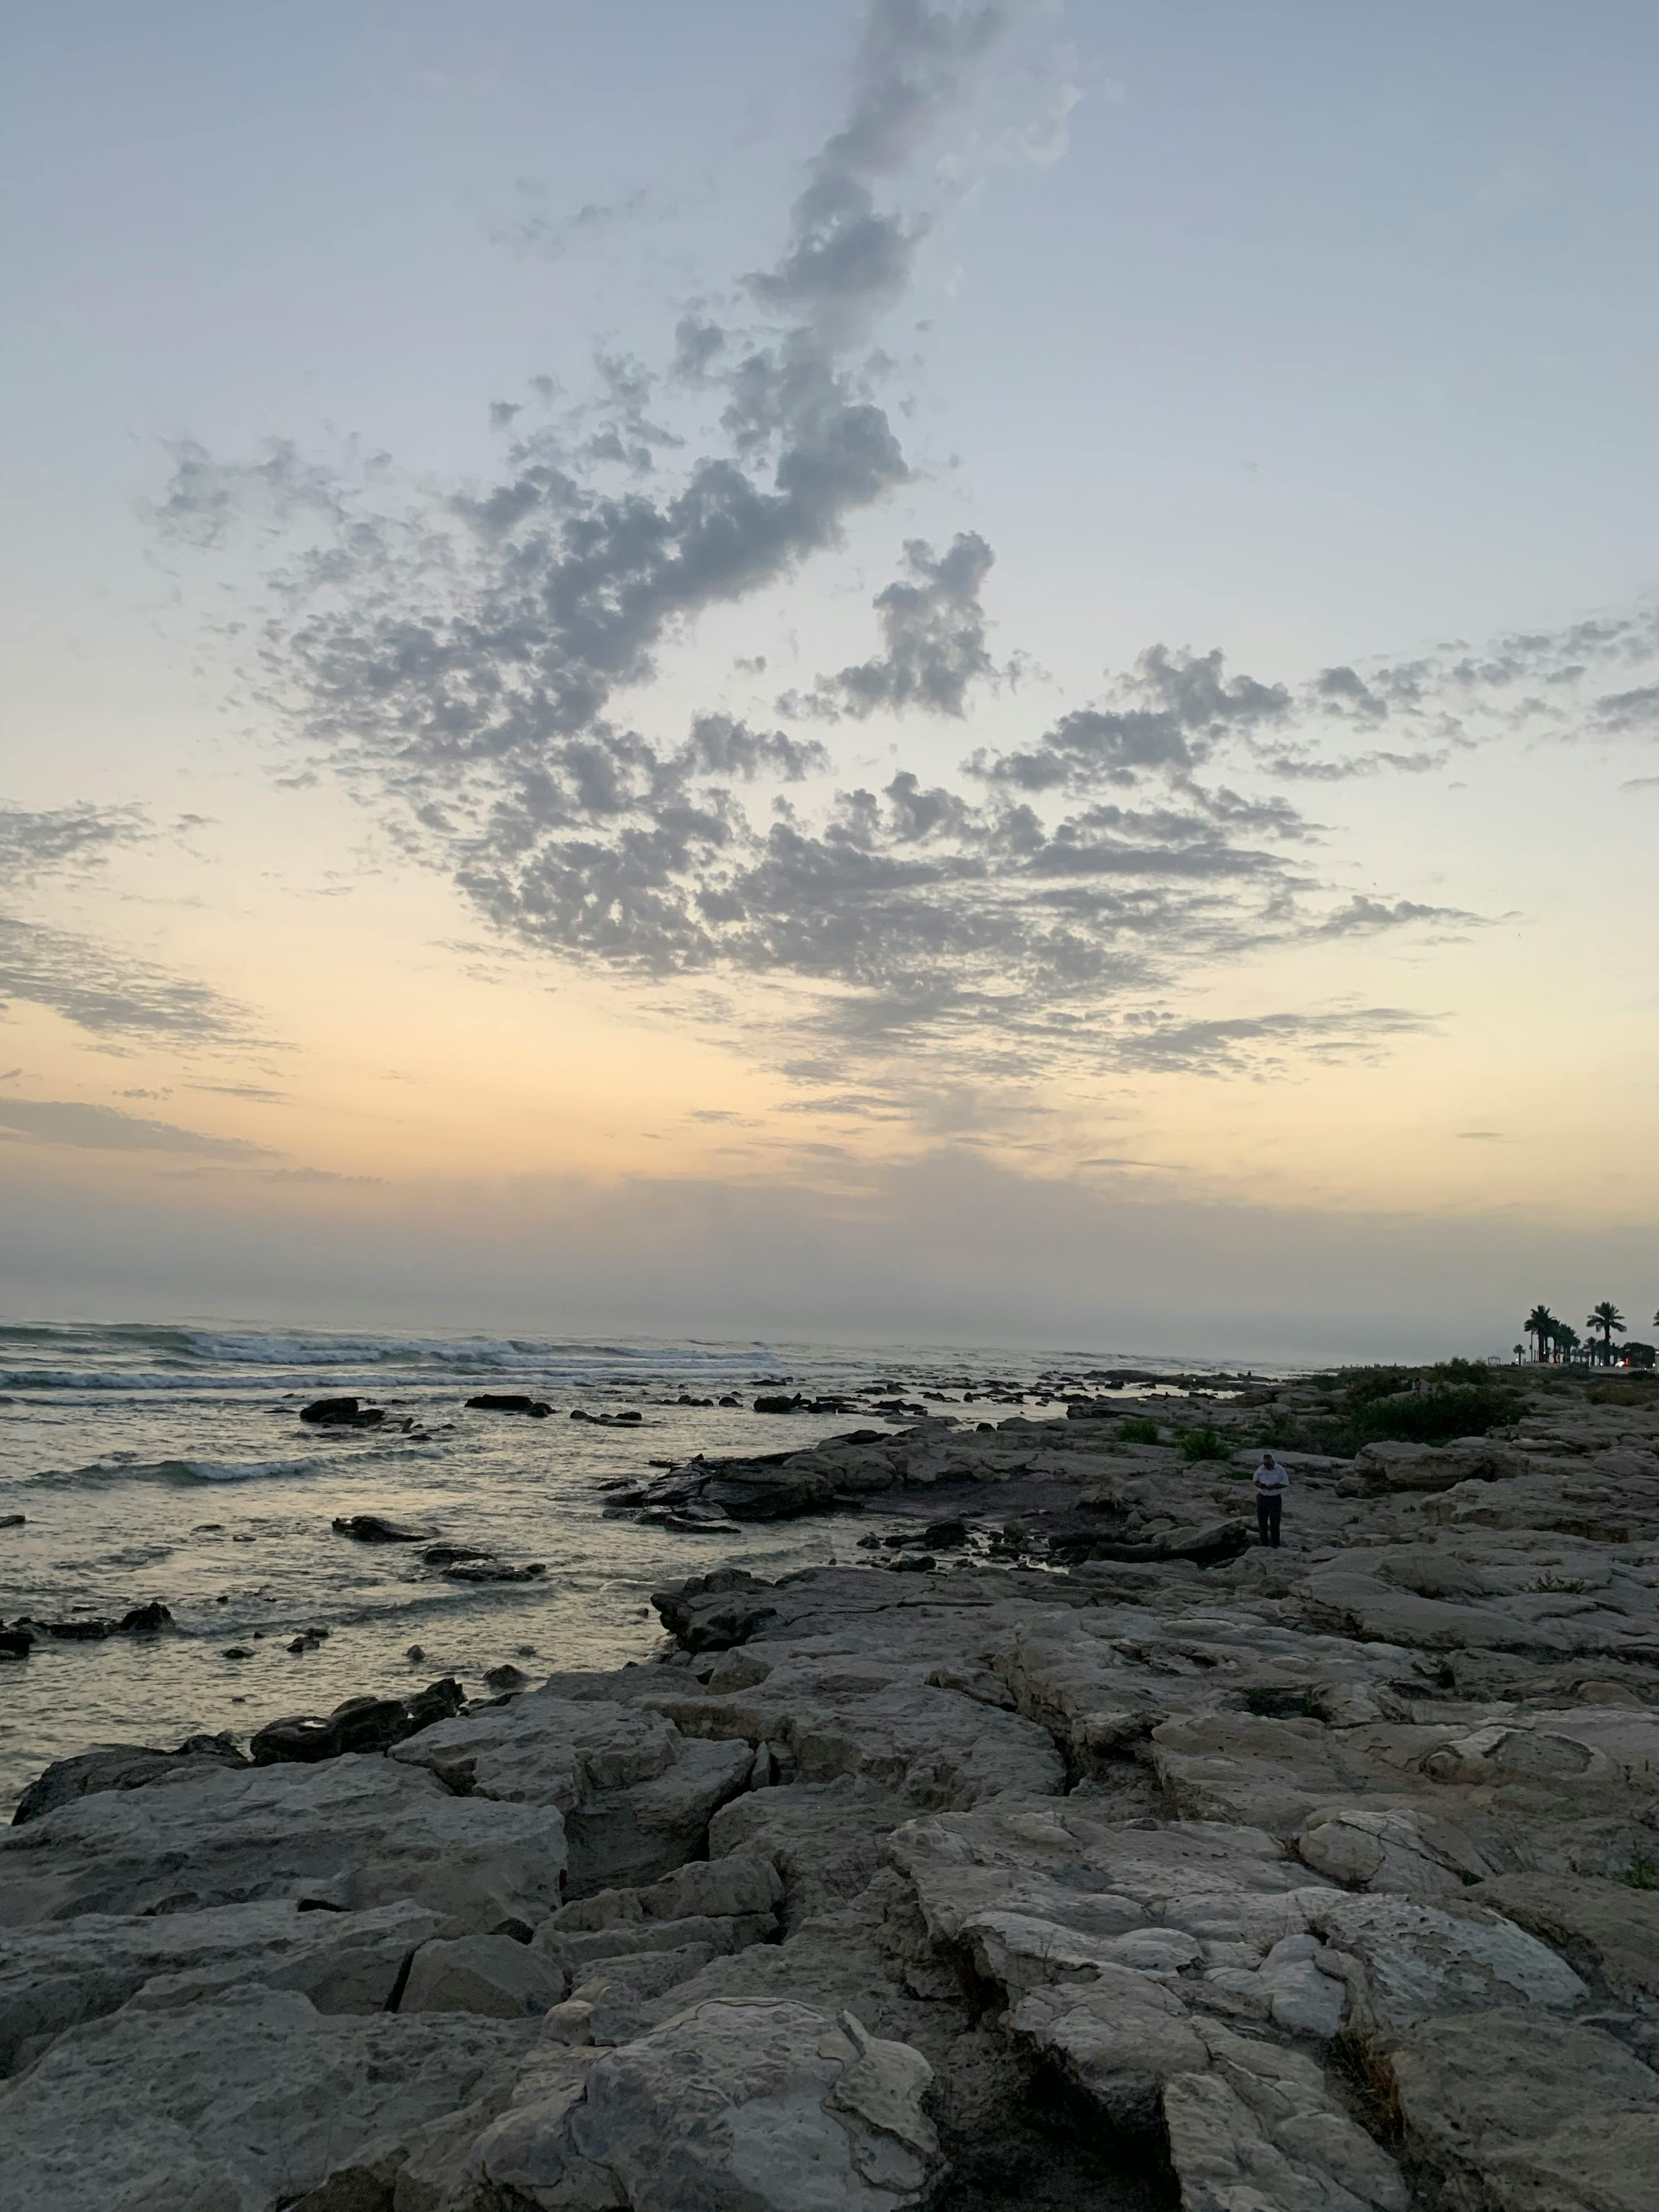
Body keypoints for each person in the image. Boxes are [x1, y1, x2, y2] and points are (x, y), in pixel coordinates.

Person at [1252, 1451, 1288, 1548]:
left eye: (1269, 1464)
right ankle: (1263, 1542)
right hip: (1262, 1497)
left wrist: (1275, 1486)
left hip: (1275, 1498)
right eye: (1266, 1465)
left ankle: (1275, 1543)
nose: (1268, 1466)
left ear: (1273, 1462)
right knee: (1262, 1521)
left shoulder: (1280, 1470)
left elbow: (1285, 1483)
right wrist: (1261, 1485)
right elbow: (1255, 1481)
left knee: (1275, 1521)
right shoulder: (1260, 1469)